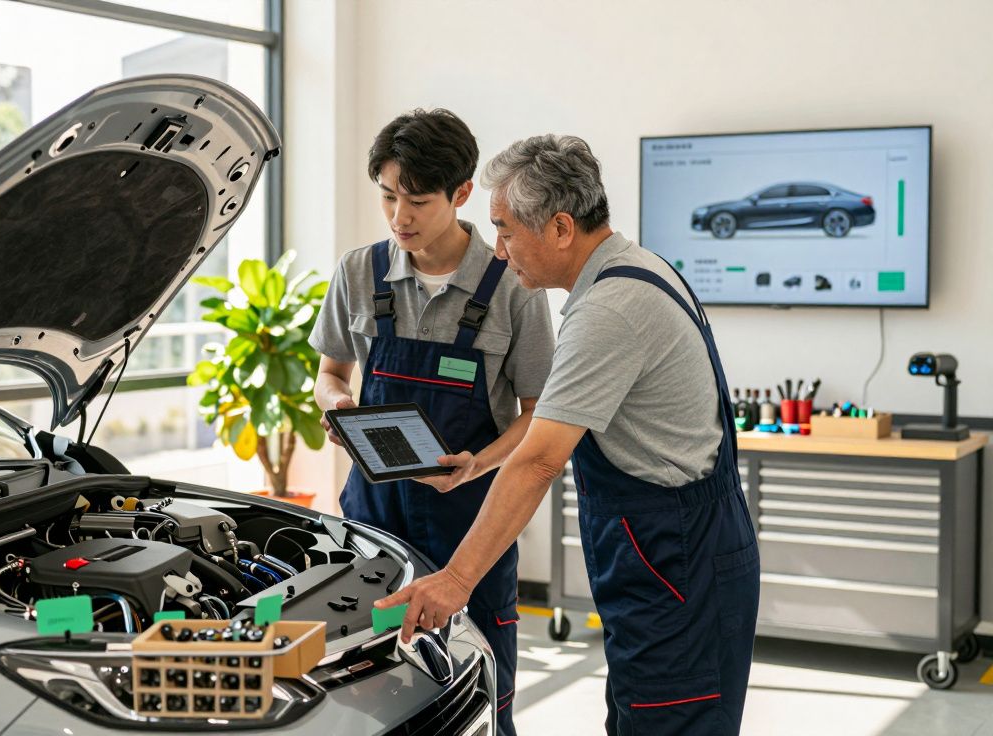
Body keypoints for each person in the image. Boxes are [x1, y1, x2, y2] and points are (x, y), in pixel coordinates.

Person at [375, 134, 761, 735]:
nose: (500, 252)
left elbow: (539, 461)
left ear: (559, 228)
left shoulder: (609, 309)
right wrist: (479, 465)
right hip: (672, 559)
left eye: (505, 231)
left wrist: (456, 580)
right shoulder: (637, 268)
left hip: (676, 564)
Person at [309, 109, 554, 735]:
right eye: (388, 196)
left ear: (462, 193)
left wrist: (479, 463)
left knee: (477, 695)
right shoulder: (358, 272)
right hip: (373, 524)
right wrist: (337, 406)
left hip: (470, 524)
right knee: (369, 695)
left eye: (417, 201)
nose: (400, 217)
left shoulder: (514, 286)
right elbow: (330, 375)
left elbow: (539, 416)